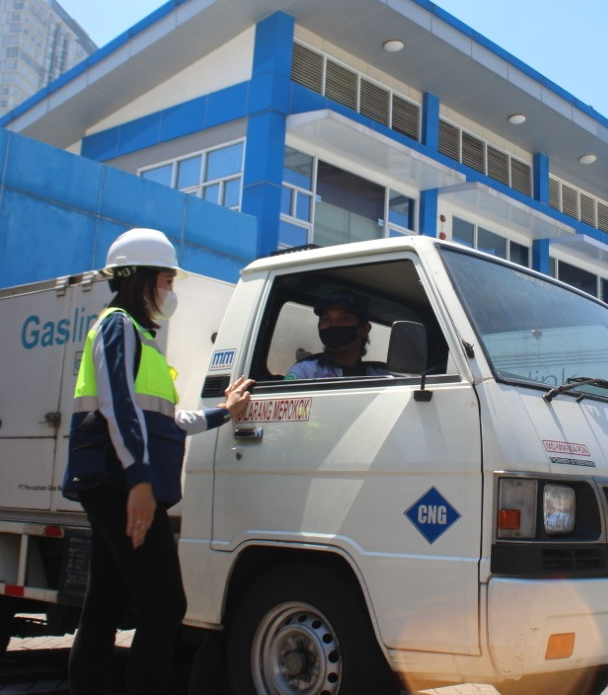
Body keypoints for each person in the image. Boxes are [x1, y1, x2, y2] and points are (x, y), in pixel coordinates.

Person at [62, 227, 253, 695]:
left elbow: (165, 421)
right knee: (165, 606)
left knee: (105, 605)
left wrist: (222, 413)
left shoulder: (142, 338)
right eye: (167, 280)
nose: (171, 292)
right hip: (118, 484)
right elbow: (118, 406)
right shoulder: (117, 326)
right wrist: (140, 483)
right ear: (140, 279)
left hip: (117, 482)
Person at [285, 289, 389, 379]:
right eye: (326, 319)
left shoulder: (382, 376)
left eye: (344, 319)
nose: (333, 325)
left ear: (365, 329)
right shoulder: (305, 372)